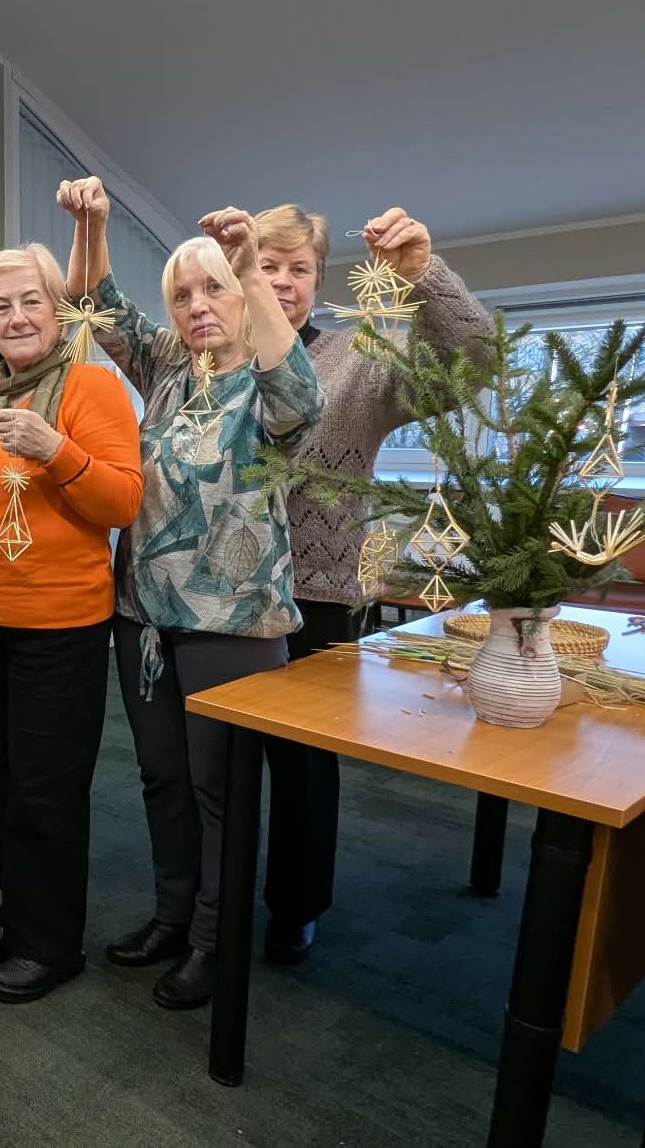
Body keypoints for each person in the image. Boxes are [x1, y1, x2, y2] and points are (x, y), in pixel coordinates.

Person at [60, 176, 323, 1009]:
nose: (199, 305)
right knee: (161, 780)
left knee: (220, 794)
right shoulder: (174, 365)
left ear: (245, 296)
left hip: (233, 625)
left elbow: (302, 398)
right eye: (183, 294)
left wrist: (247, 264)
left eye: (214, 288)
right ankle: (173, 917)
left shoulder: (270, 384)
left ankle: (215, 939)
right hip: (143, 618)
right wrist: (94, 222)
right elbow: (95, 303)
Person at [253, 204, 493, 964]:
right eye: (267, 265)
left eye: (298, 269)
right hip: (218, 597)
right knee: (213, 763)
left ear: (319, 280)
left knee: (301, 766)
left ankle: (296, 905)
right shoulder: (215, 359)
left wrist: (423, 273)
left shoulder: (359, 357)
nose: (282, 281)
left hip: (316, 595)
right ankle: (204, 901)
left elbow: (473, 361)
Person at [0, 243, 142, 1002]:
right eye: (0, 306)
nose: (15, 317)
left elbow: (122, 502)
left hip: (61, 627)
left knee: (47, 789)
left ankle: (53, 943)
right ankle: (21, 912)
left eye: (31, 301)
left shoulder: (92, 387)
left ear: (58, 312)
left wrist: (59, 452)